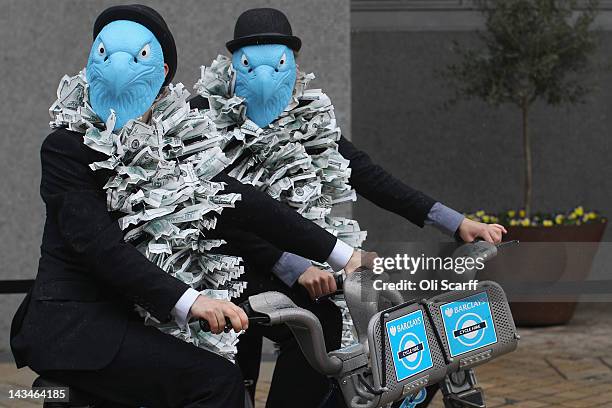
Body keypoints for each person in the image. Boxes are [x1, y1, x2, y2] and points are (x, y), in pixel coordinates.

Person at [10, 5, 371, 408]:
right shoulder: (66, 148)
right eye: (104, 54)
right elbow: (99, 248)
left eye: (138, 57)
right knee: (215, 382)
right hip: (77, 326)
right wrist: (190, 300)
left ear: (163, 73)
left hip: (133, 317)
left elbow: (245, 204)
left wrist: (344, 254)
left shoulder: (174, 149)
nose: (117, 67)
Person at [189, 8, 507, 408]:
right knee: (264, 343)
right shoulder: (201, 116)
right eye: (252, 63)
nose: (266, 78)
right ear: (234, 65)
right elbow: (219, 210)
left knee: (343, 325)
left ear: (294, 63)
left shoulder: (307, 116)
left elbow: (365, 173)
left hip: (306, 254)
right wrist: (291, 263)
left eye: (279, 63)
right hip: (220, 261)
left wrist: (455, 222)